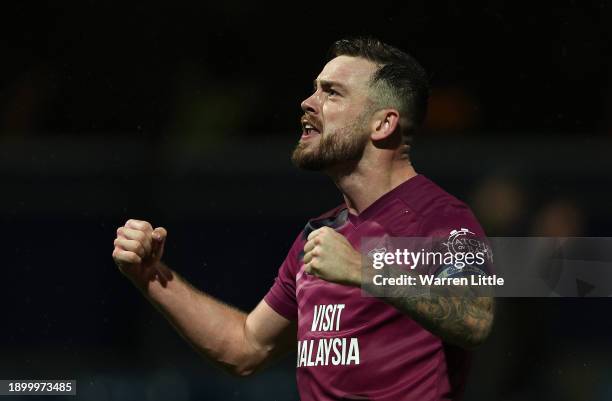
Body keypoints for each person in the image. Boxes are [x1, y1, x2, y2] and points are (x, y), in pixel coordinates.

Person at [112, 37, 494, 401]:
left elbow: (476, 319)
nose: (308, 102)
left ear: (383, 124)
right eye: (315, 89)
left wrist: (364, 270)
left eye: (332, 93)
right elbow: (246, 348)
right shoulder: (320, 233)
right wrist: (150, 276)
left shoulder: (441, 217)